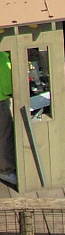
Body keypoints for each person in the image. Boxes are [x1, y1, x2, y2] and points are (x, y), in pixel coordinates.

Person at [0, 51, 15, 187]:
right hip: (1, 101)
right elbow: (8, 87)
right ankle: (6, 170)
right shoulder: (2, 58)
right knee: (4, 137)